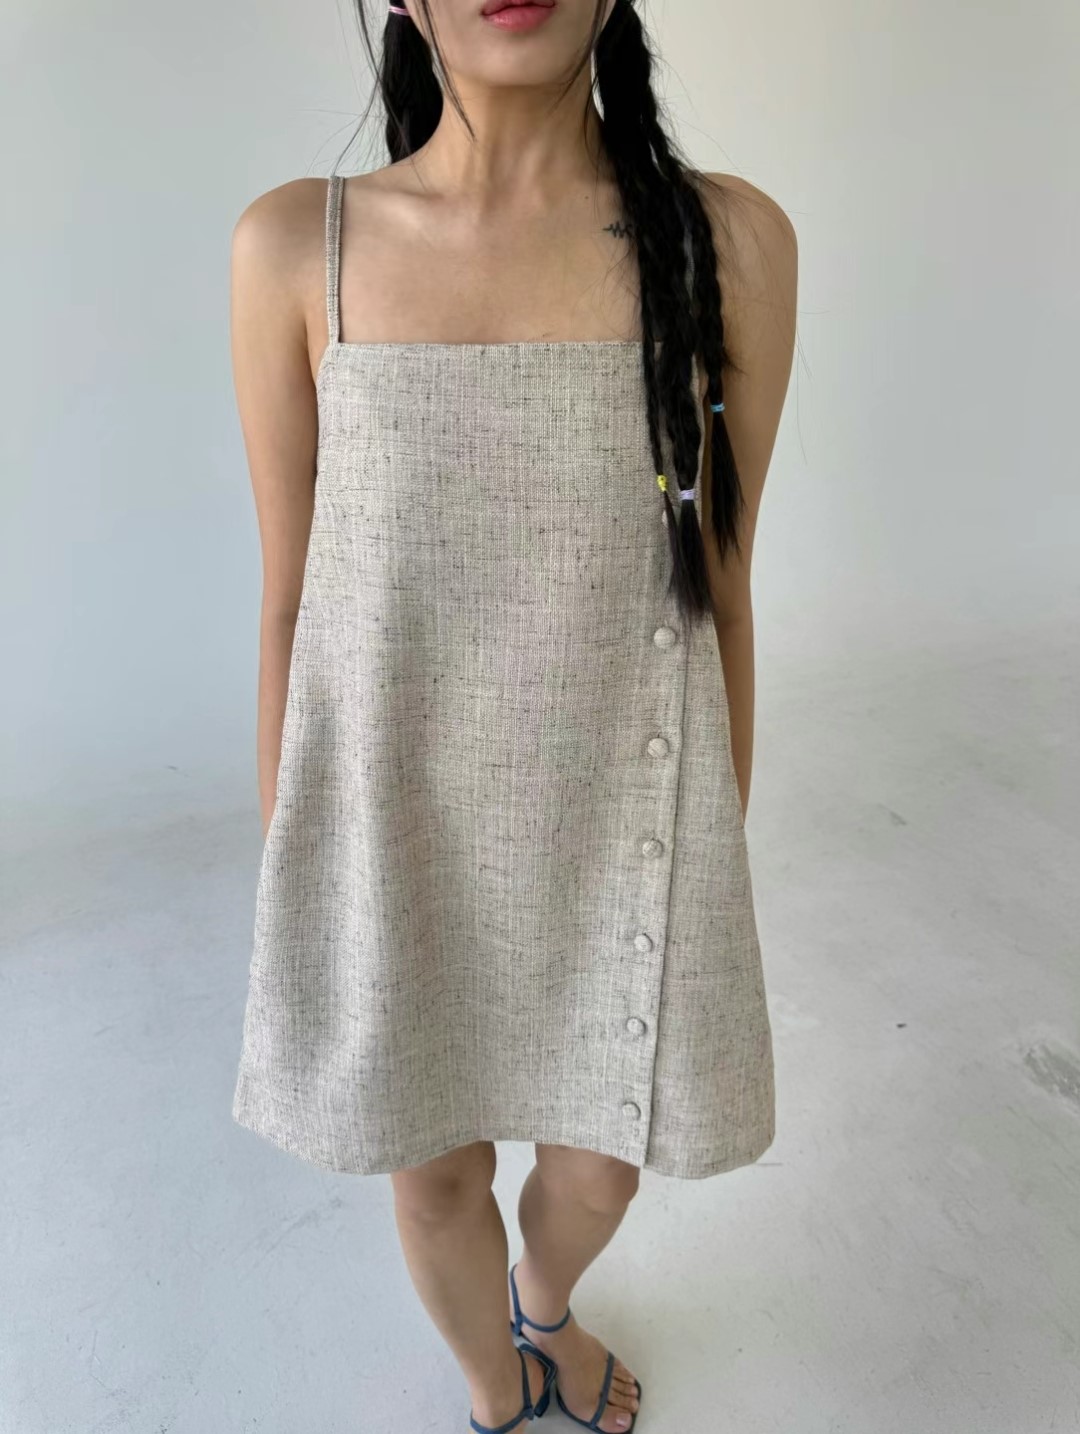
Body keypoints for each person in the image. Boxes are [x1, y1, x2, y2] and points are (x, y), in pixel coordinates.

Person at [228, 1, 797, 1429]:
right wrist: (302, 868)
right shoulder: (300, 247)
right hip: (399, 829)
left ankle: (542, 1307)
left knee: (601, 1165)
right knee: (432, 1172)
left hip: (618, 831)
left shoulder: (727, 245)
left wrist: (709, 860)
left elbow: (722, 596)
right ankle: (496, 1381)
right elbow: (290, 604)